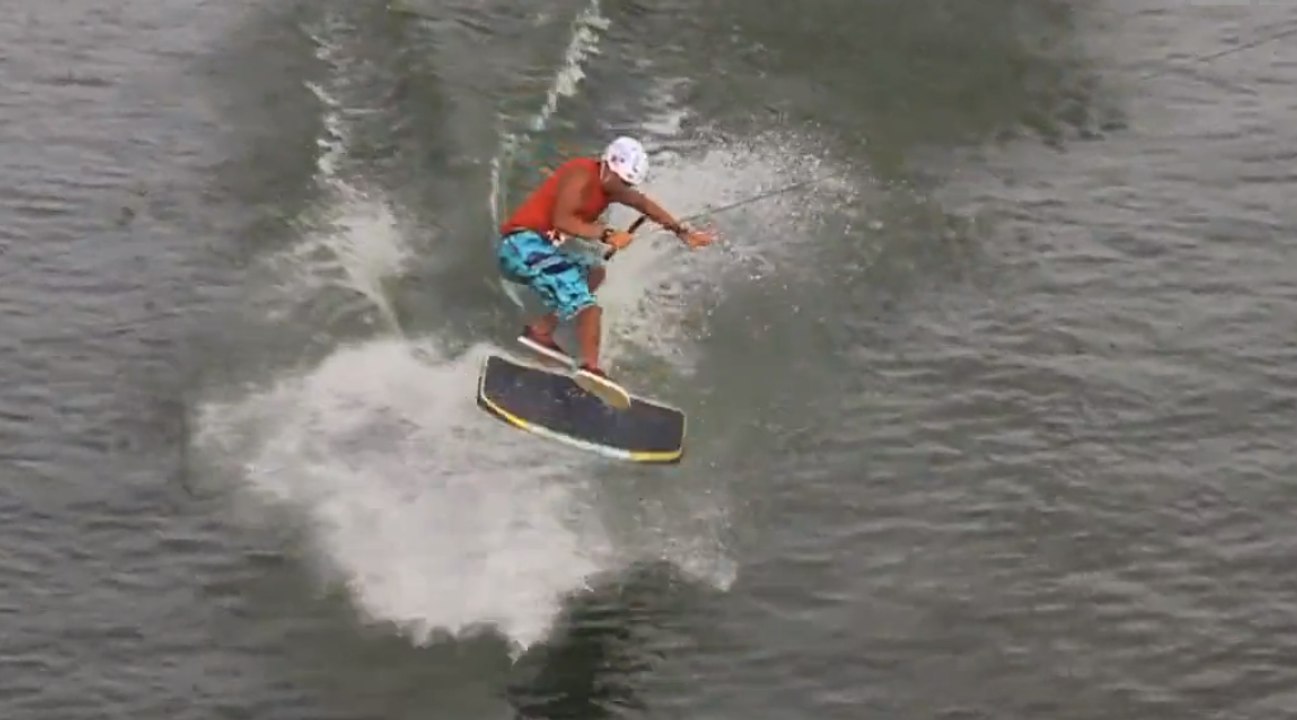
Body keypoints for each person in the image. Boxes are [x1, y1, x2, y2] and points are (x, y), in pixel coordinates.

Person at [496, 136, 715, 385]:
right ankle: (592, 371)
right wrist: (607, 234)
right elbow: (563, 220)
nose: (624, 188)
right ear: (609, 165)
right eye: (622, 181)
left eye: (628, 184)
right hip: (520, 246)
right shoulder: (582, 174)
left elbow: (643, 204)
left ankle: (542, 329)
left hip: (538, 250)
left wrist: (681, 232)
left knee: (595, 272)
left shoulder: (610, 186)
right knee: (588, 308)